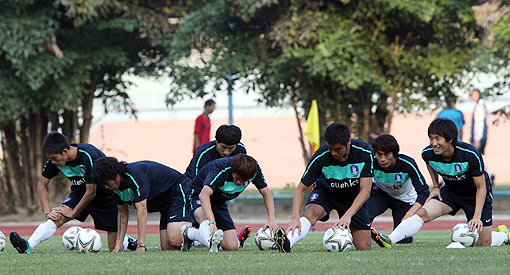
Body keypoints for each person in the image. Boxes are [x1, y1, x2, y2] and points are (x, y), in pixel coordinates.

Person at [371, 118, 510, 248]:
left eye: (438, 138)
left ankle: (504, 235)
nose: (433, 143)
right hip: (451, 192)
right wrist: (436, 186)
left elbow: (481, 187)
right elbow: (429, 163)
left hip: (476, 194)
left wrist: (476, 217)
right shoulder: (428, 153)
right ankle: (390, 239)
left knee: (484, 242)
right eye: (431, 138)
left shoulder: (470, 155)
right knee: (422, 213)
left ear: (450, 139)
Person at [9, 132, 136, 253]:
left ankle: (129, 241)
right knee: (57, 216)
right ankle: (27, 246)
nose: (53, 162)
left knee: (113, 247)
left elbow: (91, 192)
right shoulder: (55, 160)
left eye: (54, 158)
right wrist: (48, 211)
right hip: (80, 193)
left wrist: (73, 212)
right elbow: (41, 184)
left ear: (65, 151)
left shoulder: (88, 155)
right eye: (50, 158)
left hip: (104, 195)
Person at [274, 122, 374, 252]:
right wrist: (295, 218)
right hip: (327, 192)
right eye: (330, 148)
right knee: (310, 213)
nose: (333, 153)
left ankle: (350, 237)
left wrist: (348, 215)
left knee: (364, 247)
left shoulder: (365, 153)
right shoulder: (321, 156)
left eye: (337, 149)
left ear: (348, 142)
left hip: (352, 197)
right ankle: (287, 242)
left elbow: (366, 190)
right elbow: (301, 189)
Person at [92, 157, 194, 252]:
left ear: (116, 175)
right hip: (165, 204)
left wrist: (141, 244)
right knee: (168, 247)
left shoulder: (135, 175)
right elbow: (122, 212)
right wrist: (118, 244)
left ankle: (200, 236)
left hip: (180, 191)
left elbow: (142, 210)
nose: (106, 187)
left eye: (106, 182)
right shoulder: (115, 187)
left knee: (175, 240)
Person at [181, 154, 278, 252]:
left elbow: (266, 193)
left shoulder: (254, 170)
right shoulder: (220, 168)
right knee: (204, 217)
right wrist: (212, 222)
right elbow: (204, 195)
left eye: (244, 180)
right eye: (237, 178)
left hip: (218, 201)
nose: (240, 182)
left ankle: (190, 234)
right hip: (198, 195)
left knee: (231, 247)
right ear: (233, 171)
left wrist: (271, 219)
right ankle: (207, 240)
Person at [185, 124, 250, 246]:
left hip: (216, 196)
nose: (226, 152)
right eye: (223, 147)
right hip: (195, 192)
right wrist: (211, 220)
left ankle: (235, 240)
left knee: (231, 246)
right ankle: (192, 233)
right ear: (216, 141)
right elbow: (195, 183)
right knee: (174, 240)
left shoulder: (241, 151)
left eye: (231, 149)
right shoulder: (203, 153)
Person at [367, 134, 429, 244]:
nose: (382, 159)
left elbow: (424, 192)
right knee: (365, 214)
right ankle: (358, 236)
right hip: (381, 193)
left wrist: (409, 215)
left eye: (387, 155)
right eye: (379, 154)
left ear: (395, 154)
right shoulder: (371, 161)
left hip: (404, 199)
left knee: (404, 241)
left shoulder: (407, 163)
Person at [470, 89, 488, 154]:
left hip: (478, 138)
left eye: (475, 95)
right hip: (479, 137)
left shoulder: (479, 107)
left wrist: (477, 139)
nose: (473, 97)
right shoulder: (481, 105)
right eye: (472, 95)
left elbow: (479, 124)